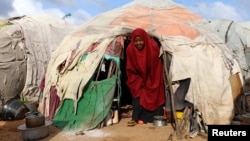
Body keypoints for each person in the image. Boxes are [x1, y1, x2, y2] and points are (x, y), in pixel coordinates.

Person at [125, 28, 166, 126]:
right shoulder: (130, 49)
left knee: (154, 94)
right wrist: (139, 77)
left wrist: (147, 77)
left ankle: (154, 118)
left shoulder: (152, 46)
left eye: (140, 40)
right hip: (137, 76)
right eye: (136, 41)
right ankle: (138, 117)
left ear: (145, 39)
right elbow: (130, 66)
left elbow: (155, 65)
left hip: (152, 76)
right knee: (138, 94)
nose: (138, 43)